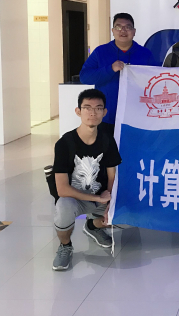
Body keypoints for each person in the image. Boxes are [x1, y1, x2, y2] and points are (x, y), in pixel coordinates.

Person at [52, 88, 122, 271]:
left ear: (104, 112)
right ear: (78, 111)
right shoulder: (64, 144)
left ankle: (93, 226)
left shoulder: (107, 140)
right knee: (63, 207)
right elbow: (62, 189)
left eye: (98, 108)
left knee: (127, 213)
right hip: (75, 199)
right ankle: (65, 246)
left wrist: (110, 202)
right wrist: (98, 198)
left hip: (100, 197)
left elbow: (112, 175)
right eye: (87, 108)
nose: (93, 113)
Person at [79, 13, 157, 136]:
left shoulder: (145, 54)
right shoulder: (101, 52)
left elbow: (156, 80)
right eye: (118, 27)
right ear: (113, 31)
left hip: (136, 117)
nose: (123, 31)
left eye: (128, 27)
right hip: (107, 116)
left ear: (134, 31)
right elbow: (84, 77)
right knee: (106, 147)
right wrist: (110, 69)